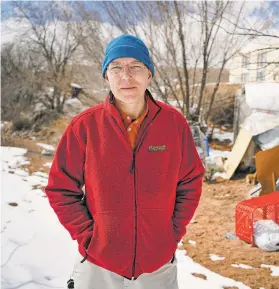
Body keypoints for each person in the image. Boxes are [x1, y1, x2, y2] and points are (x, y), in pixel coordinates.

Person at [45, 34, 205, 289]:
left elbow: (190, 182)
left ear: (149, 75)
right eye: (116, 67)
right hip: (98, 264)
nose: (126, 76)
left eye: (135, 67)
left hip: (157, 265)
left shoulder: (174, 124)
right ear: (106, 76)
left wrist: (171, 234)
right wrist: (89, 238)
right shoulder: (84, 126)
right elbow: (60, 189)